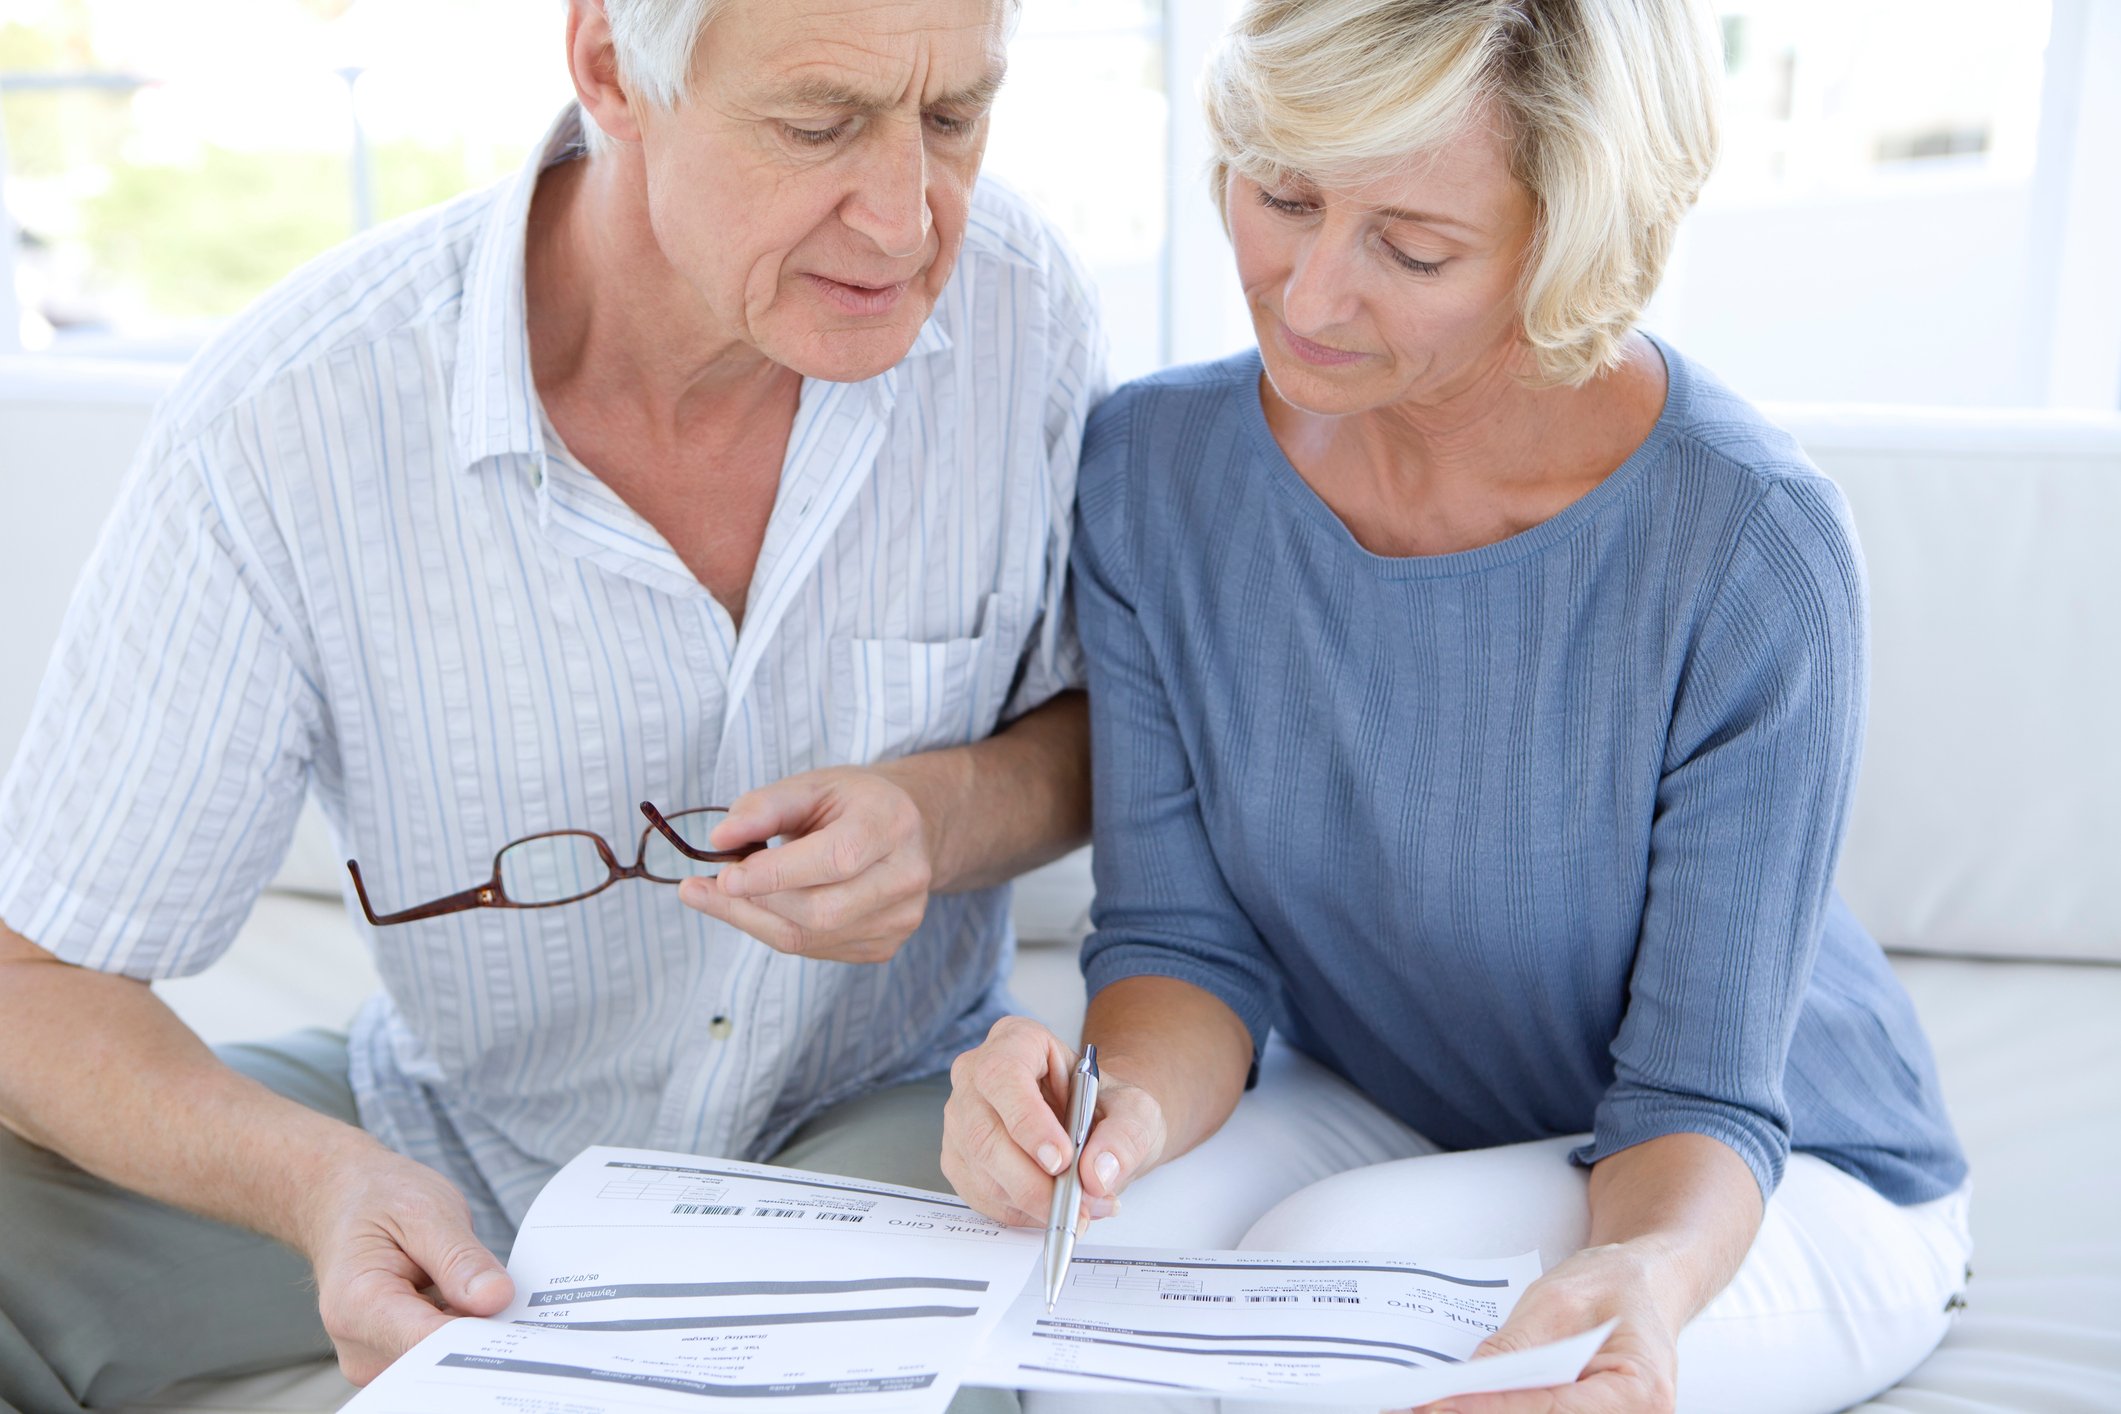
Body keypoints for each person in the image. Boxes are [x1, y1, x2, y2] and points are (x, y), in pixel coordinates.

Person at [0, 0, 1101, 1408]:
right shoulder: (293, 421)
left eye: (953, 118)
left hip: (877, 1124)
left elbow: (1102, 732)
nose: (904, 218)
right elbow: (37, 983)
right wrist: (321, 1184)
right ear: (609, 69)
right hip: (451, 1131)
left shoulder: (1021, 309)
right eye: (817, 125)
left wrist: (942, 816)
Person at [940, 2, 1969, 1411]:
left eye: (1410, 248)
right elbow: (1184, 943)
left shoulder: (1747, 543)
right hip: (1395, 1092)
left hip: (1758, 1174)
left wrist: (1645, 1280)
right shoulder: (1152, 471)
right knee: (1077, 1297)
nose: (1304, 298)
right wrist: (1109, 1114)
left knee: (1340, 1300)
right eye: (1281, 195)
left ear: (1567, 243)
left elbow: (1698, 1098)